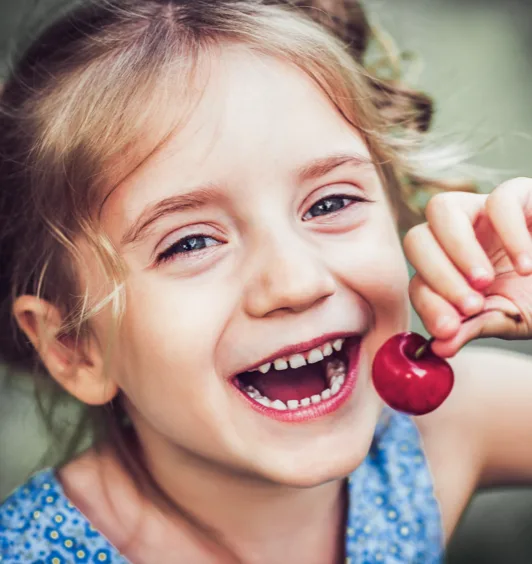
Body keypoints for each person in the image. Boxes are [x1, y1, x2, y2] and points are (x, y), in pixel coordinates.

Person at [0, 0, 531, 562]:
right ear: (75, 347)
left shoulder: (442, 430)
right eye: (190, 242)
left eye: (330, 202)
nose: (296, 282)